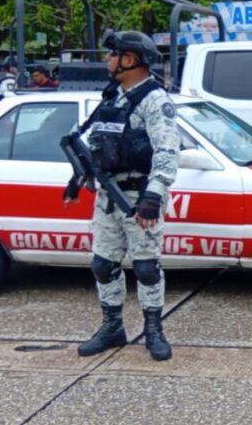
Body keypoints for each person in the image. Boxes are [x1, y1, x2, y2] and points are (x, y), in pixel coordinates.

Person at [63, 30, 180, 361]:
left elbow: (168, 150)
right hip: (108, 196)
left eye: (113, 54)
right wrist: (77, 177)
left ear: (130, 59)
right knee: (103, 264)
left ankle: (154, 330)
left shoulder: (155, 101)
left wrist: (154, 193)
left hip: (140, 195)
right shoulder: (112, 98)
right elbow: (98, 146)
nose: (108, 60)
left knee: (145, 267)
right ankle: (112, 327)